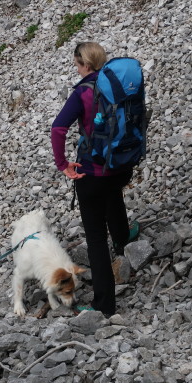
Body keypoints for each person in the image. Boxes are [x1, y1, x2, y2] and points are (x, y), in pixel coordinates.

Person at [50, 41, 138, 316]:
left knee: (96, 237)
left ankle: (104, 304)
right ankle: (123, 239)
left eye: (76, 64)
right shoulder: (120, 84)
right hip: (123, 166)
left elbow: (58, 128)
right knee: (113, 192)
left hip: (93, 172)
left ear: (85, 65)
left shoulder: (83, 93)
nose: (76, 68)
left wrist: (63, 164)